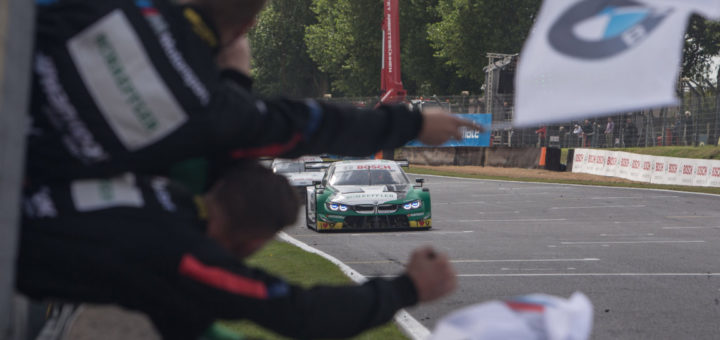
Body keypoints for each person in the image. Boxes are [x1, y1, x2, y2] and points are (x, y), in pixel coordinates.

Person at [28, 0, 477, 184]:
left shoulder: (117, 8)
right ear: (247, 28)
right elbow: (308, 124)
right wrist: (413, 122)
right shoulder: (210, 108)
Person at [17, 162, 457, 339]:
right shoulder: (186, 259)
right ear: (253, 242)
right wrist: (405, 289)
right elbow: (299, 312)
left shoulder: (156, 192)